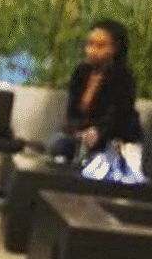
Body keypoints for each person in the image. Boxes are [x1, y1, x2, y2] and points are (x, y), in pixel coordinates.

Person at [48, 19, 143, 163]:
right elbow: (72, 112)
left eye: (101, 46)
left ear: (116, 49)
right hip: (83, 136)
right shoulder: (81, 72)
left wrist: (97, 132)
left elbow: (118, 115)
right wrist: (77, 131)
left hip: (114, 137)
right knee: (58, 143)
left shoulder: (123, 77)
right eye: (90, 44)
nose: (92, 50)